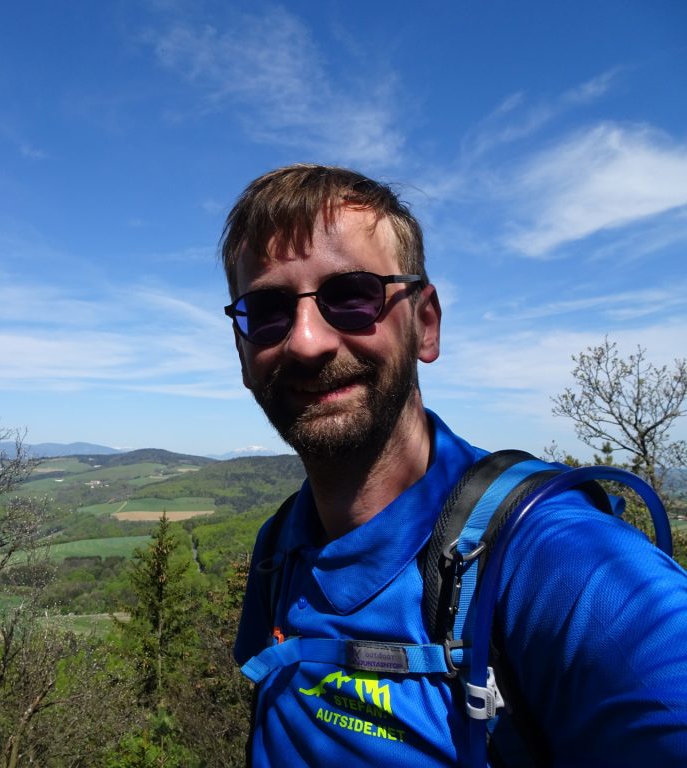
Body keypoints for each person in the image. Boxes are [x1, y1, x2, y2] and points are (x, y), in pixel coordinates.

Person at [223, 164, 687, 766]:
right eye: (268, 310)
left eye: (353, 295)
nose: (307, 340)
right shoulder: (281, 546)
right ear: (242, 351)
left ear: (425, 323)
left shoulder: (555, 562)